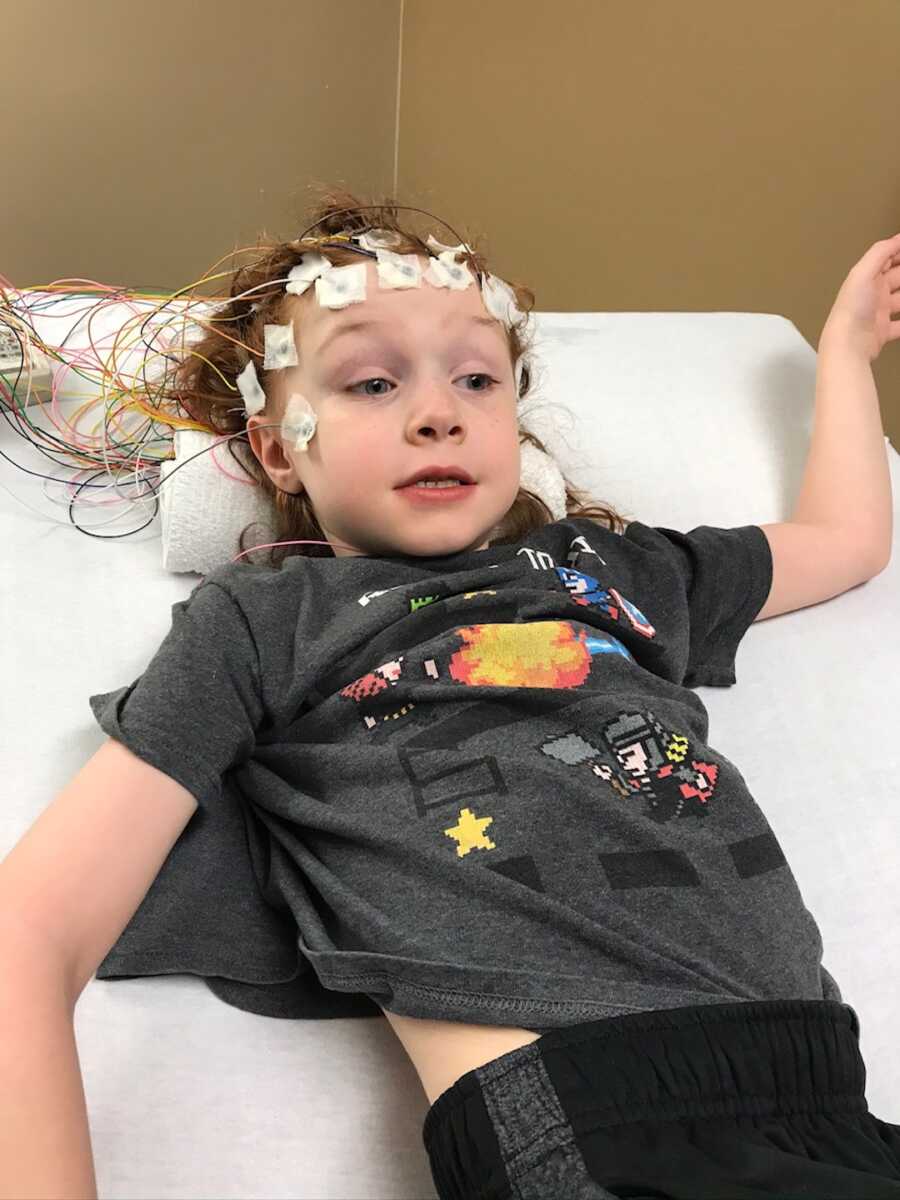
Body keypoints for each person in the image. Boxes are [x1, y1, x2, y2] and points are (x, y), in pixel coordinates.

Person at [5, 185, 900, 1198]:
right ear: (274, 446)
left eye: (478, 378)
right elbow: (30, 931)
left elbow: (846, 543)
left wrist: (845, 351)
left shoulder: (606, 570)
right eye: (372, 383)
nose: (438, 413)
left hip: (834, 1092)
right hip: (589, 1118)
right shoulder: (268, 621)